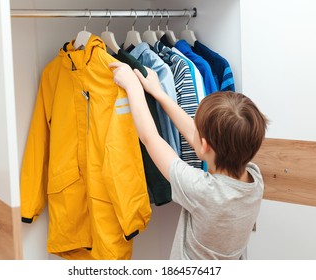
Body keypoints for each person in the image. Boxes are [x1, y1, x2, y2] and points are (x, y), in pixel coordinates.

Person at [109, 61, 268, 260]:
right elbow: (198, 137)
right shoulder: (255, 180)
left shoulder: (202, 190)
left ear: (204, 145)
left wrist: (133, 87)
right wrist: (159, 93)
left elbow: (151, 139)